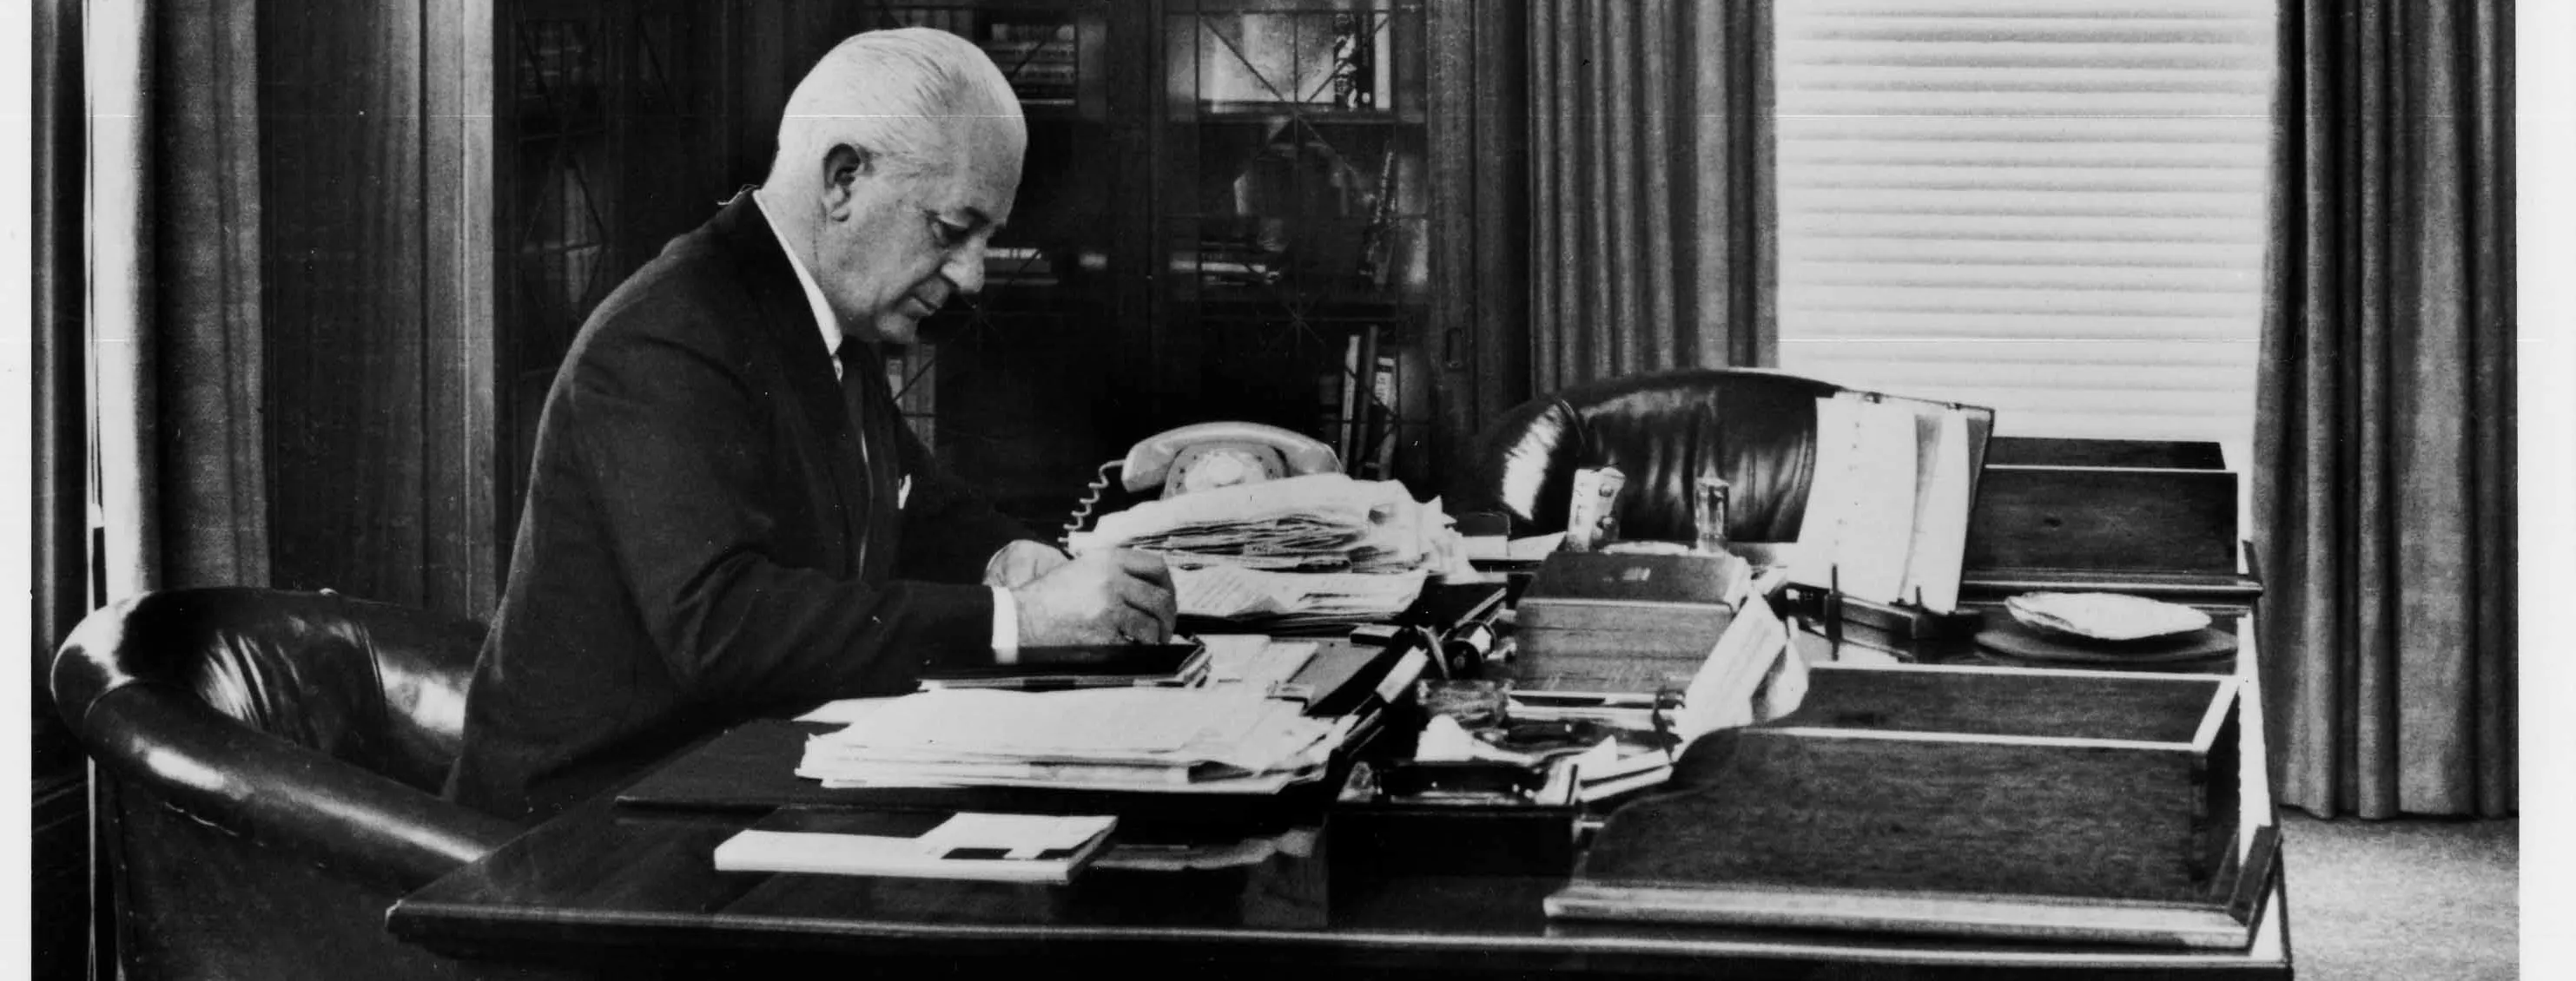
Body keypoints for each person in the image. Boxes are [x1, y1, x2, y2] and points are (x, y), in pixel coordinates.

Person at [447, 29, 1176, 822]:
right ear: (842, 180)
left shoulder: (819, 313)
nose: (970, 276)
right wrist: (1019, 622)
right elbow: (723, 626)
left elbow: (918, 506)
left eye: (987, 239)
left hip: (724, 796)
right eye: (950, 230)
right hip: (586, 843)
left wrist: (1010, 558)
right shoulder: (668, 334)